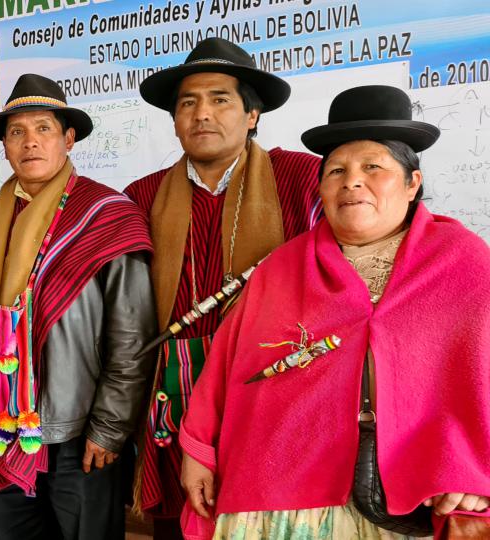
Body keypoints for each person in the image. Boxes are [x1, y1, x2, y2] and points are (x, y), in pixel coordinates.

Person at [179, 85, 490, 539]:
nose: (352, 182)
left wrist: (478, 472)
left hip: (417, 497)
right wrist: (199, 451)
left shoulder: (463, 263)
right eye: (337, 171)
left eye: (373, 167)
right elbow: (227, 368)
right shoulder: (282, 269)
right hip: (281, 500)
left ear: (412, 184)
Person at [123, 37, 323, 537]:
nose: (202, 114)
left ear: (252, 114)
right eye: (187, 103)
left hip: (271, 399)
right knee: (177, 524)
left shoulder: (303, 180)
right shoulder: (142, 196)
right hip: (172, 403)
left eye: (220, 99)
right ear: (174, 120)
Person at [0, 73, 157, 539]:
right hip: (6, 427)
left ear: (69, 138)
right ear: (5, 146)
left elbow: (133, 336)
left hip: (79, 430)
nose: (30, 142)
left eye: (43, 128)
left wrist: (109, 427)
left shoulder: (107, 214)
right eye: (17, 132)